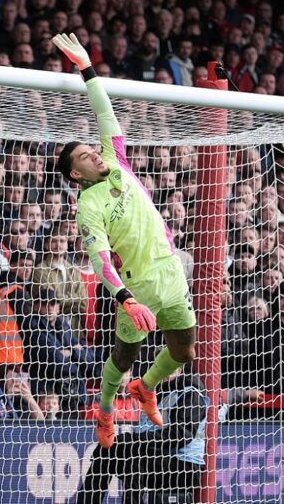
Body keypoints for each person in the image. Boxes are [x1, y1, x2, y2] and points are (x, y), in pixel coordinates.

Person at [53, 33, 197, 448]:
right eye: (84, 156)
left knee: (184, 352)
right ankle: (103, 410)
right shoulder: (88, 207)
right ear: (75, 175)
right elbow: (99, 261)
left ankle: (146, 388)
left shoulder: (116, 161)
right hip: (136, 286)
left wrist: (85, 67)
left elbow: (104, 111)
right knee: (123, 356)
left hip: (171, 272)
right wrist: (125, 298)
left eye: (91, 150)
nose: (94, 154)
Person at [75, 368, 208, 504]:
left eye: (170, 366)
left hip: (185, 465)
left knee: (135, 456)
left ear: (179, 369)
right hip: (162, 456)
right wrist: (127, 441)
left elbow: (182, 435)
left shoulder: (190, 394)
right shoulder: (158, 394)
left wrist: (135, 440)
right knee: (109, 447)